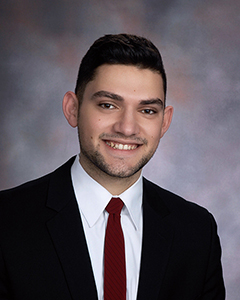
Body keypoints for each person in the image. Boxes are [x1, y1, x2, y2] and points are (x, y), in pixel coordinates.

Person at [0, 34, 225, 300]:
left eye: (148, 111)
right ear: (72, 109)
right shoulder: (7, 221)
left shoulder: (197, 233)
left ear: (164, 122)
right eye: (108, 105)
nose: (127, 128)